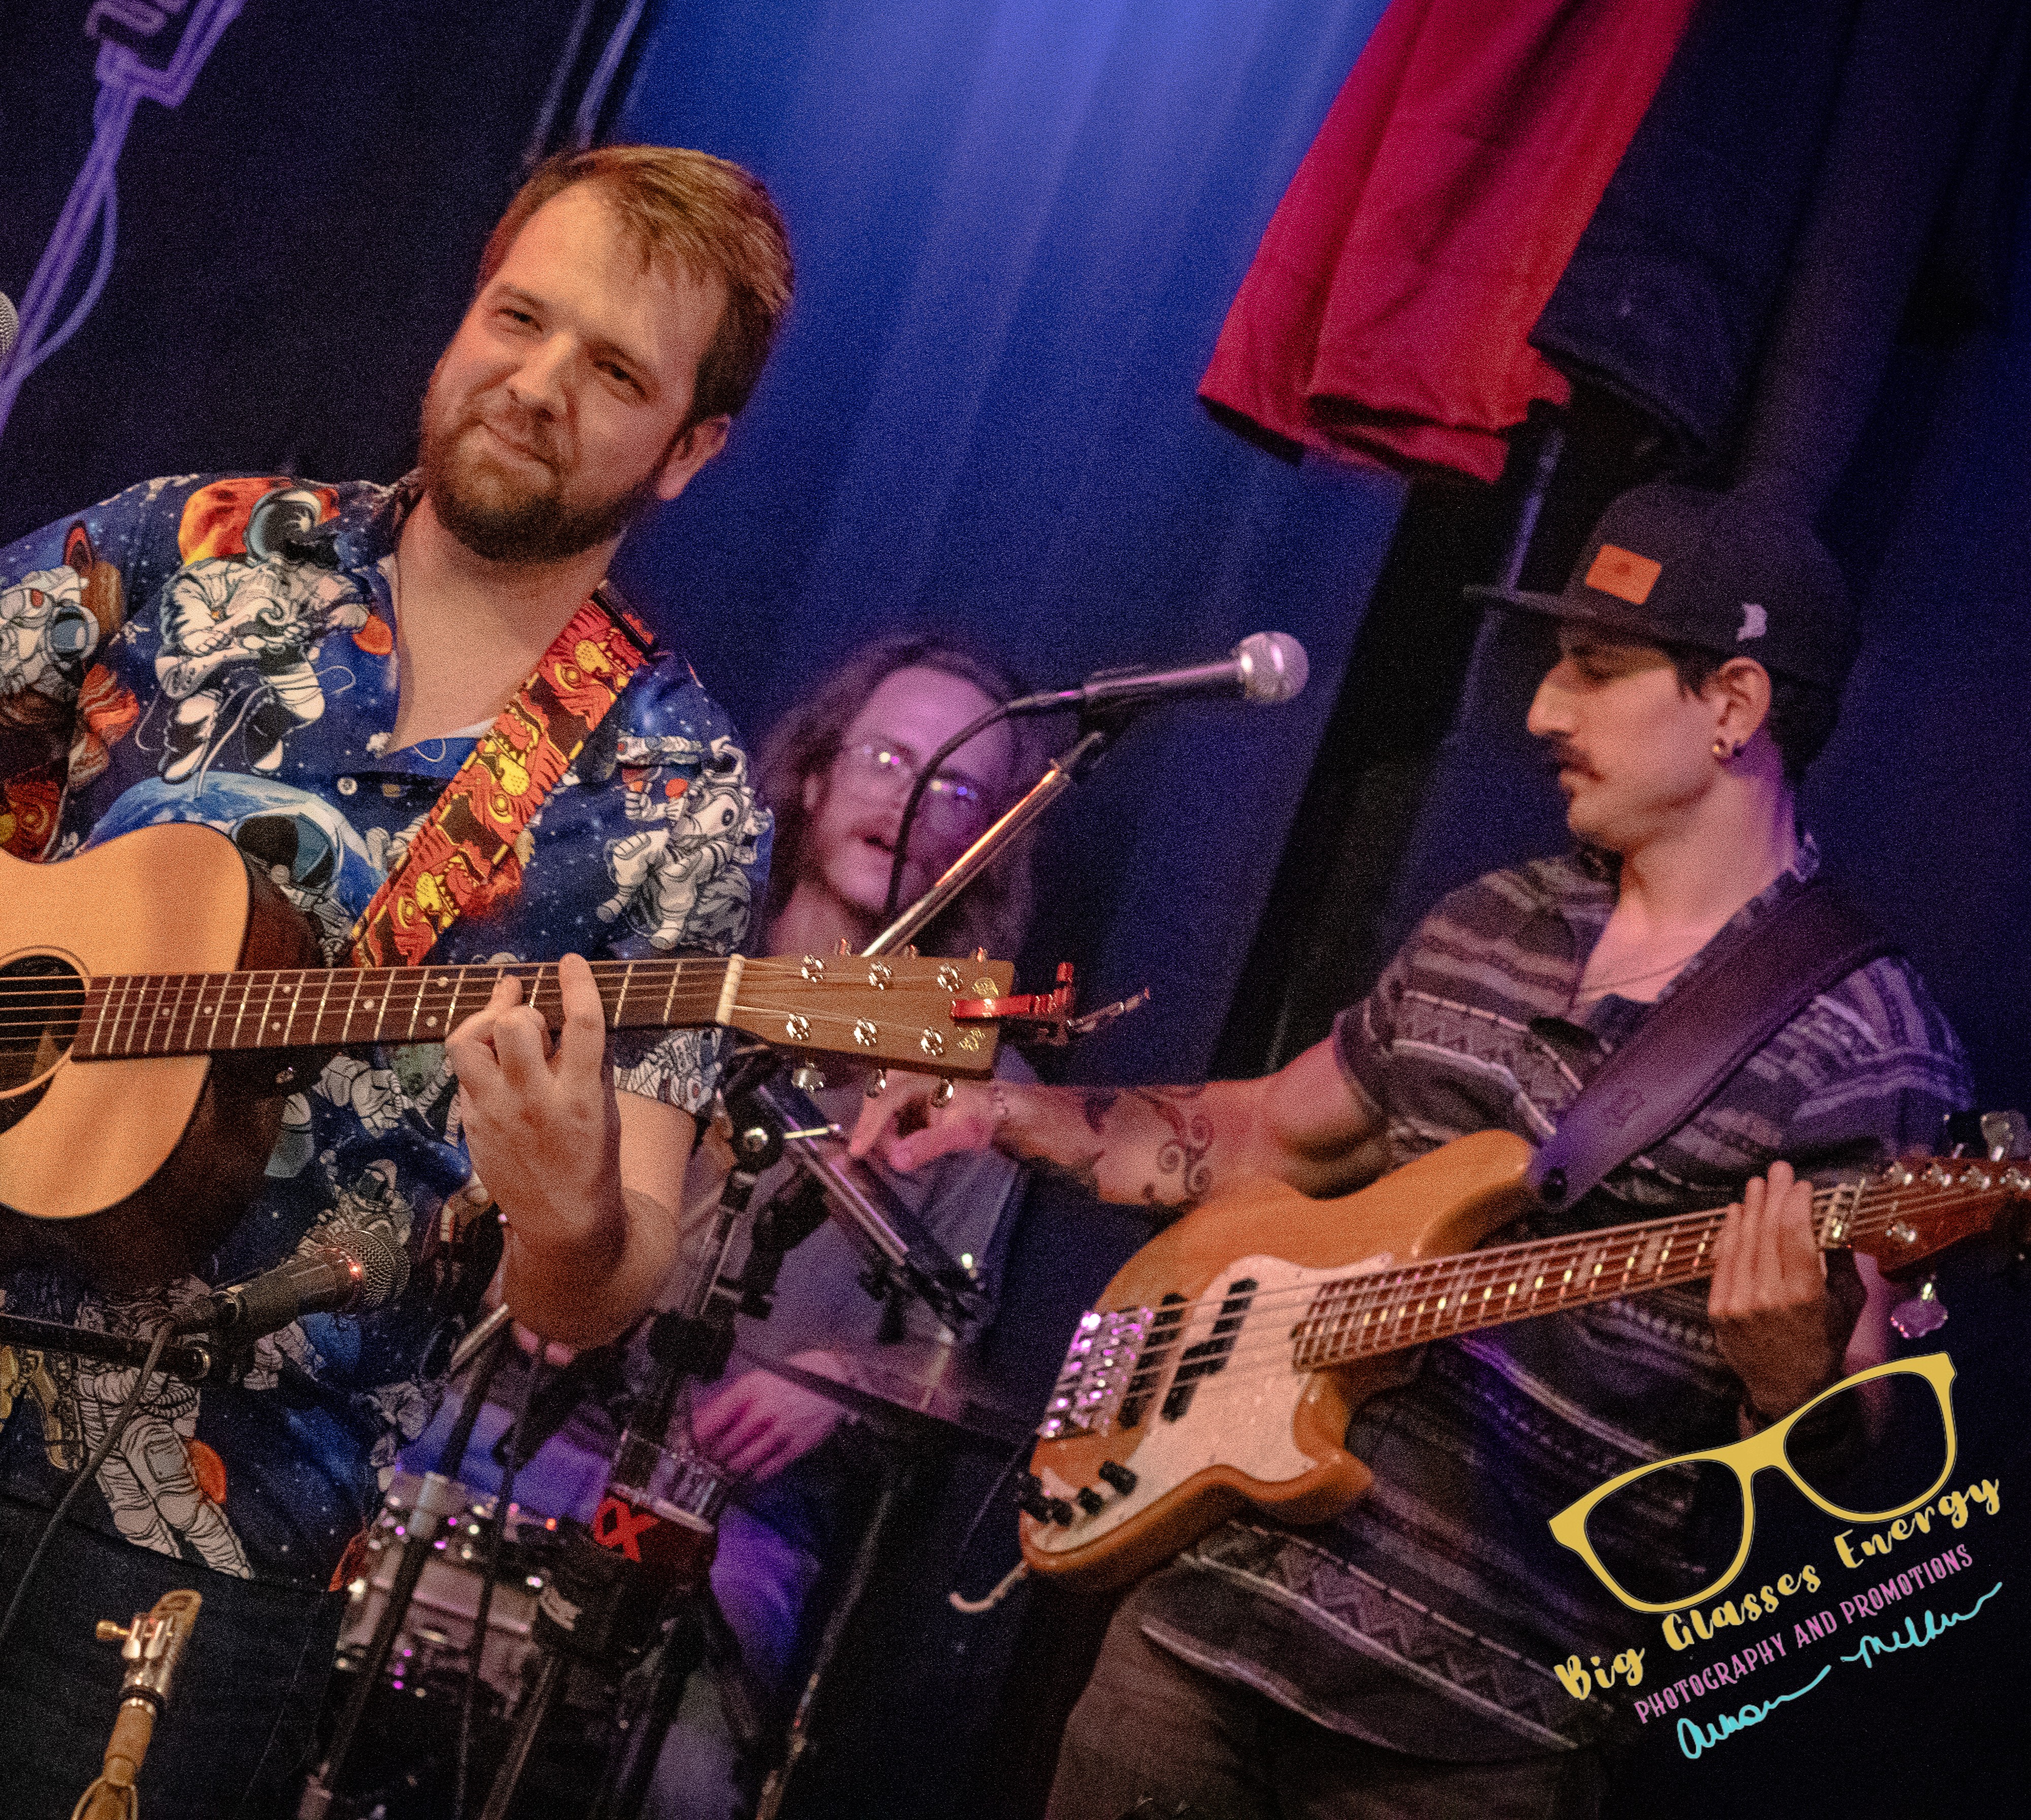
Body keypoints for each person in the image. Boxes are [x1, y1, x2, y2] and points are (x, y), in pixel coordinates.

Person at [855, 484, 1972, 1820]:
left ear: (1732, 703)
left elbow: (1859, 1433)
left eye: (1593, 667)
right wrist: (1008, 1111)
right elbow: (1270, 1133)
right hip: (1196, 1637)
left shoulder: (1867, 1043)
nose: (1541, 709)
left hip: (1476, 1743)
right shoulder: (1490, 920)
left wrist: (1793, 1379)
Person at [0, 144, 793, 1817]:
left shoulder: (674, 799)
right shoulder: (186, 547)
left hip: (207, 1532)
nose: (539, 382)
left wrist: (569, 1211)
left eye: (617, 372)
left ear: (693, 448)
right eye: (520, 317)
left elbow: (596, 1288)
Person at [641, 635, 1044, 1818]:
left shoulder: (974, 1089)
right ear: (813, 777)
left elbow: (953, 1358)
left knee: (683, 1771)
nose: (910, 801)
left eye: (956, 787)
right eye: (885, 758)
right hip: (519, 1437)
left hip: (724, 1528)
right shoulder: (670, 971)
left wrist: (844, 1379)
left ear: (986, 843)